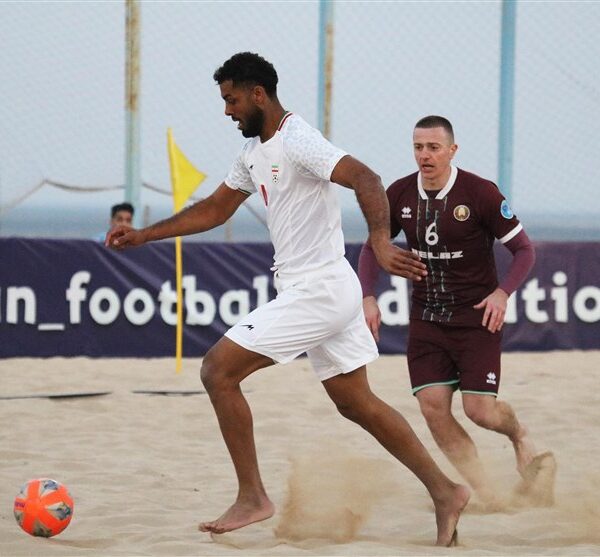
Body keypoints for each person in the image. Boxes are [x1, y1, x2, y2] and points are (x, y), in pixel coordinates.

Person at [106, 54, 469, 545]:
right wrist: (144, 235)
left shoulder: (298, 140)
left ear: (259, 95)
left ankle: (253, 495)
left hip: (318, 288)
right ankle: (445, 491)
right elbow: (215, 209)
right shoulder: (253, 153)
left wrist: (381, 242)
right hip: (322, 288)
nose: (227, 111)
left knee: (217, 370)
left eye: (232, 100)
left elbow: (366, 178)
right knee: (357, 403)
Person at [358, 115, 553, 508]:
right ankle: (488, 493)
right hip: (427, 319)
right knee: (432, 407)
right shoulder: (398, 194)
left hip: (477, 317)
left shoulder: (480, 193)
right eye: (418, 147)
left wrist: (502, 293)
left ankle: (519, 436)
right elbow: (371, 247)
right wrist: (367, 296)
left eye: (433, 147)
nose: (424, 155)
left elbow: (524, 251)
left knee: (479, 411)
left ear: (452, 150)